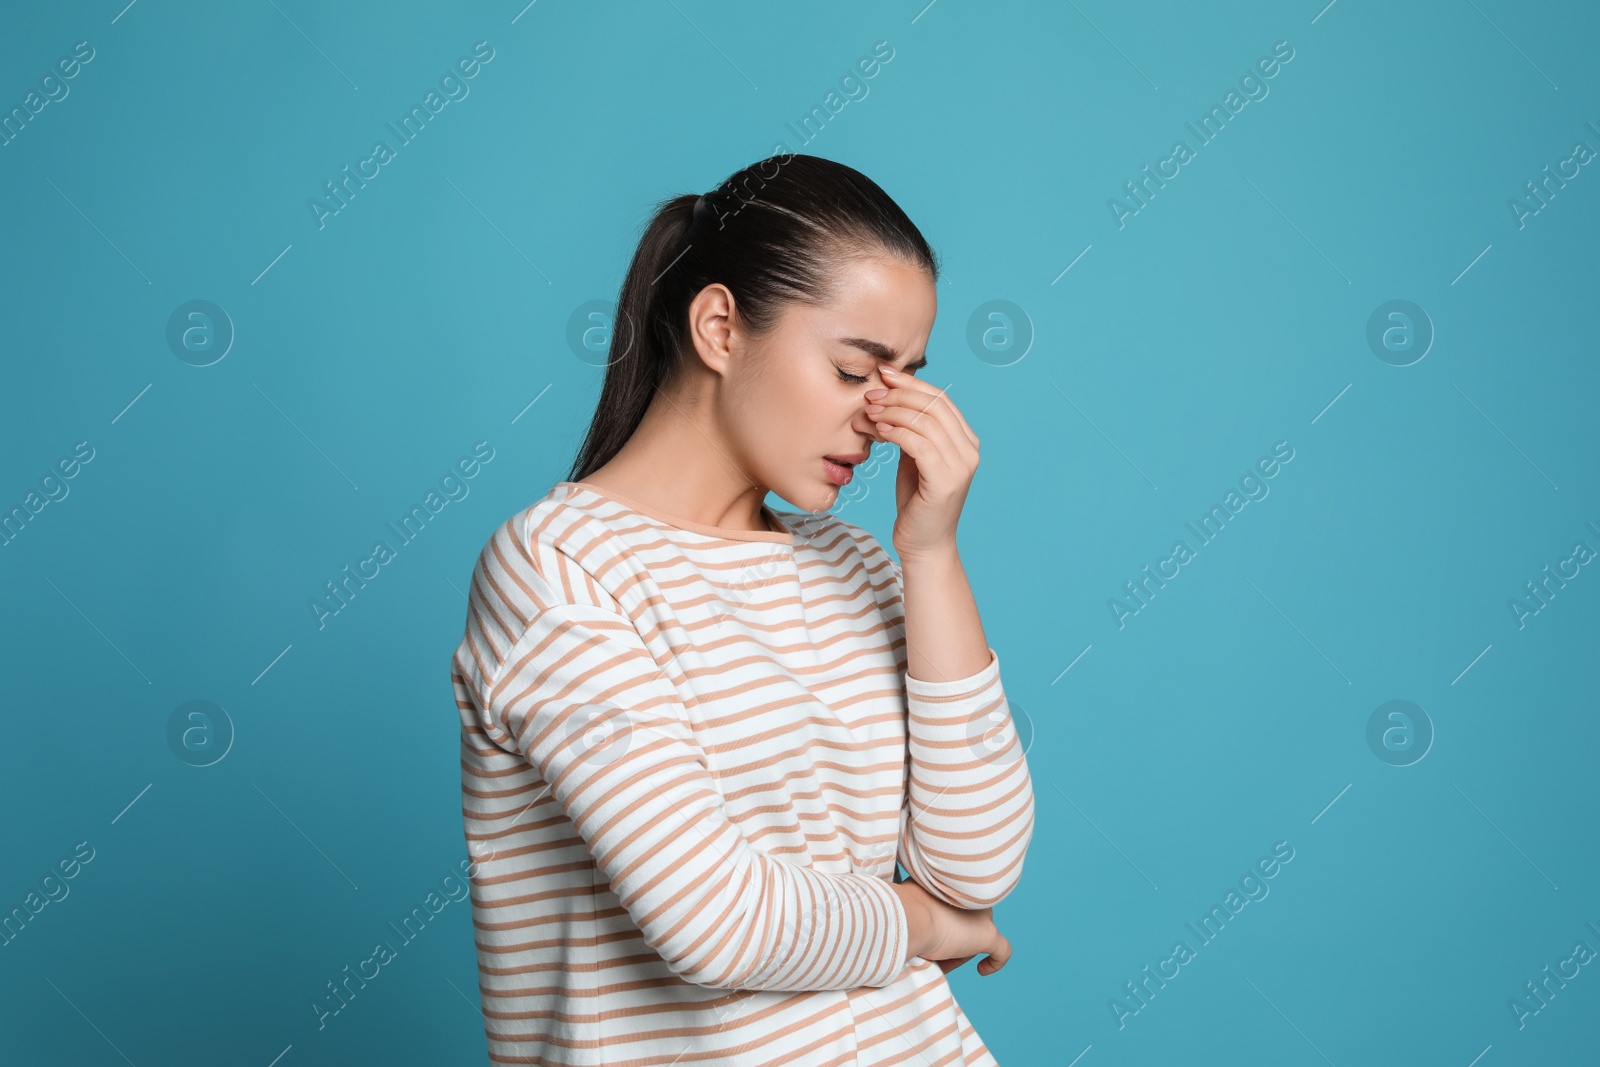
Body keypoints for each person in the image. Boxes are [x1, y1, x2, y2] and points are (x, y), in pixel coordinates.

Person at [450, 153, 1035, 1066]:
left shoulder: (853, 562)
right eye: (854, 370)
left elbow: (979, 866)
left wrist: (930, 553)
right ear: (721, 327)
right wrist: (919, 922)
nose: (883, 418)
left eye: (907, 378)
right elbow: (715, 919)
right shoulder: (559, 569)